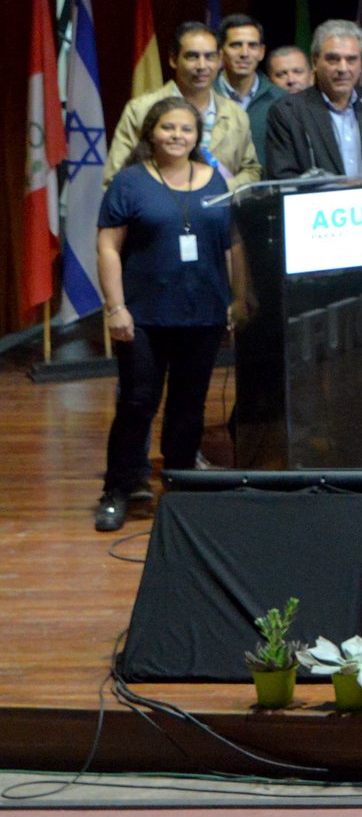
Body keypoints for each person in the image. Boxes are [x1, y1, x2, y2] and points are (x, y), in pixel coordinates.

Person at [91, 96, 241, 533]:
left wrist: (237, 301)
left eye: (186, 130)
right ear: (151, 133)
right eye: (168, 128)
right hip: (143, 317)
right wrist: (115, 307)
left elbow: (232, 246)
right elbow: (107, 248)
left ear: (198, 138)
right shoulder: (130, 182)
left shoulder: (217, 181)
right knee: (138, 402)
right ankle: (118, 488)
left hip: (204, 315)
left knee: (189, 406)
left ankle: (179, 488)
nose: (177, 136)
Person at [107, 21, 263, 188]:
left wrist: (218, 189)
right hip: (157, 210)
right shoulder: (141, 109)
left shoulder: (235, 114)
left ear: (220, 60)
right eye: (192, 56)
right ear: (174, 59)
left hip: (218, 210)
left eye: (209, 57)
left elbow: (252, 171)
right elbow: (115, 177)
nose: (202, 66)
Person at [264, 20, 362, 180]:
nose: (343, 69)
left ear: (361, 64)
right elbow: (283, 176)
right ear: (315, 62)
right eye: (333, 59)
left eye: (351, 59)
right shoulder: (288, 112)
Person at [214, 13, 284, 160]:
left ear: (261, 52)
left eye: (252, 46)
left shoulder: (282, 100)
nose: (244, 53)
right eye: (236, 45)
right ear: (220, 52)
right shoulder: (202, 96)